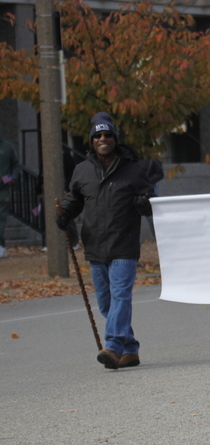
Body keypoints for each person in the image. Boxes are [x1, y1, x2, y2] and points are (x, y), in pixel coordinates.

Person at [56, 112, 154, 370]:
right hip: (95, 247)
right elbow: (74, 199)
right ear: (91, 140)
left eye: (108, 135)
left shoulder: (133, 170)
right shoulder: (81, 170)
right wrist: (65, 214)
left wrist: (144, 202)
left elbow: (150, 203)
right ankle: (130, 350)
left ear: (115, 139)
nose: (103, 139)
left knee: (120, 296)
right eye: (98, 135)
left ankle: (113, 346)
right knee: (107, 304)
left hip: (124, 245)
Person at [0, 129, 21, 259]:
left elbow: (16, 165)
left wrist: (10, 178)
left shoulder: (7, 147)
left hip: (3, 188)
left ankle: (0, 246)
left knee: (1, 218)